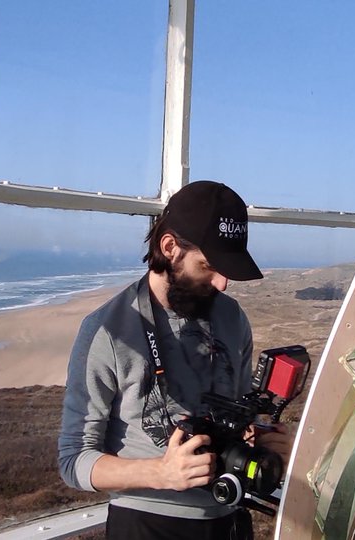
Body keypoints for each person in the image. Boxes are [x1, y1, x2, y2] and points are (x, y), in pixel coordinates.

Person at [58, 180, 293, 539]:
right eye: (208, 266)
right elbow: (73, 461)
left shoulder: (232, 318)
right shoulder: (107, 331)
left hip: (229, 516)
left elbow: (238, 417)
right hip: (147, 525)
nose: (222, 284)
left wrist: (260, 438)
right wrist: (161, 473)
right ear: (170, 248)